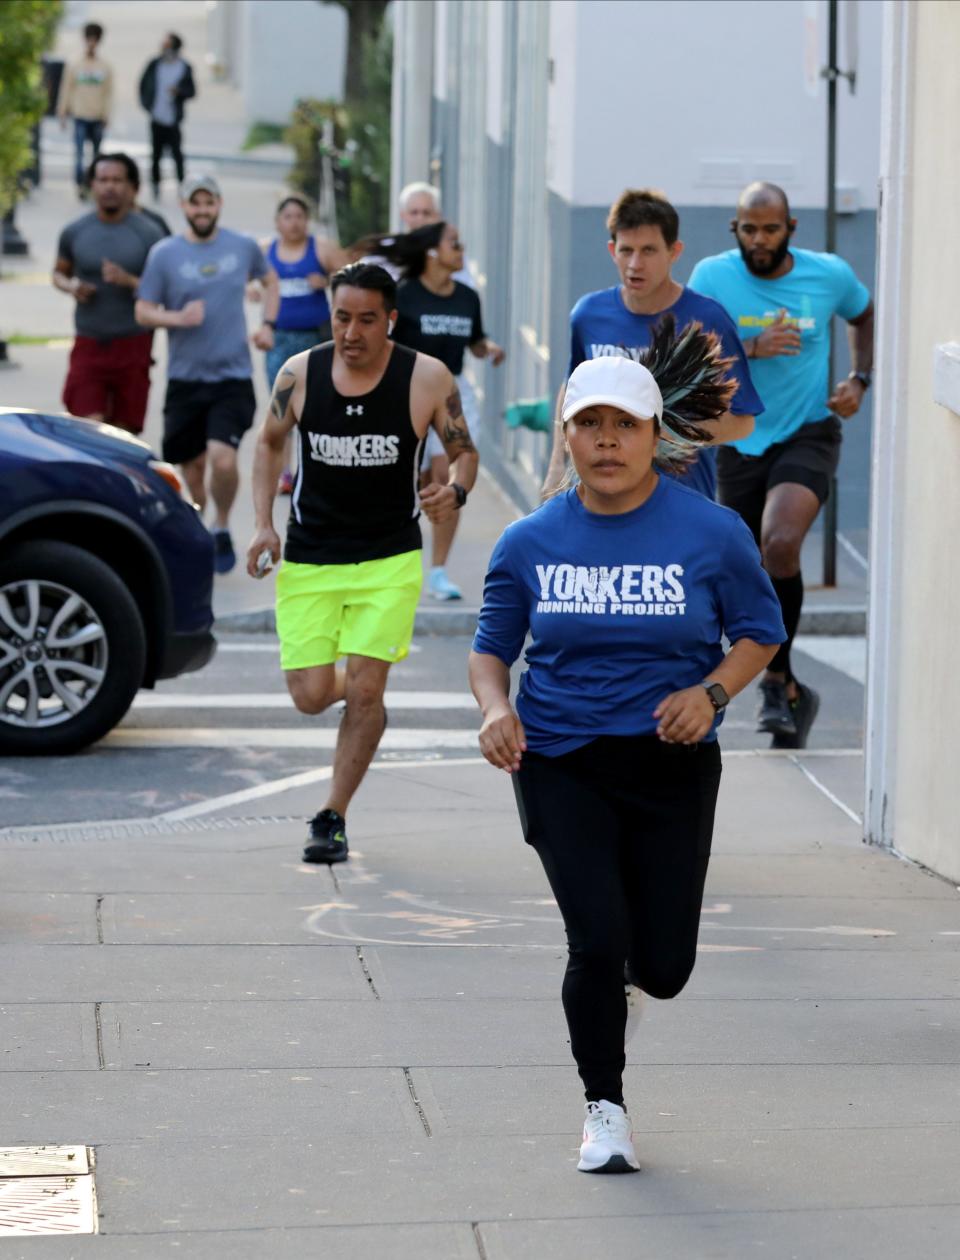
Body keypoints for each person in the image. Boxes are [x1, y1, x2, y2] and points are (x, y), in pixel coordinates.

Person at [469, 349, 784, 1175]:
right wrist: (497, 710)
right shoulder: (529, 541)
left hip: (671, 762)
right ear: (567, 435)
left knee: (667, 967)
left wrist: (712, 695)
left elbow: (759, 631)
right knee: (596, 939)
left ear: (654, 435)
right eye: (589, 425)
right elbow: (491, 649)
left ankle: (629, 993)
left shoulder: (711, 531)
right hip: (562, 758)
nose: (606, 442)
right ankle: (602, 1108)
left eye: (623, 426)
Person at [245, 262, 479, 864]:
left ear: (391, 320)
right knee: (310, 694)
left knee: (367, 691)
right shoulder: (297, 374)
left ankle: (332, 815)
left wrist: (453, 492)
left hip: (389, 556)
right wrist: (263, 525)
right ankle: (361, 687)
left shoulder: (426, 377)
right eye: (342, 317)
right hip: (312, 555)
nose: (351, 332)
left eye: (367, 320)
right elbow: (268, 442)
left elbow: (464, 452)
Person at [688, 182, 874, 748]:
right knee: (743, 564)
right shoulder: (712, 277)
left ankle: (773, 678)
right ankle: (792, 687)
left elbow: (864, 315)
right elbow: (690, 348)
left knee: (781, 541)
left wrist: (859, 379)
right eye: (750, 228)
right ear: (735, 230)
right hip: (739, 437)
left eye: (771, 228)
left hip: (808, 430)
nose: (760, 239)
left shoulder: (828, 275)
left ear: (791, 228)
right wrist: (749, 347)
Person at [543, 188, 761, 502]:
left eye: (648, 251)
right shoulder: (588, 315)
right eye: (626, 250)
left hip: (681, 501)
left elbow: (743, 421)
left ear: (674, 251)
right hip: (598, 500)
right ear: (611, 250)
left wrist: (665, 435)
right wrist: (556, 466)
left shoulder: (707, 319)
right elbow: (572, 388)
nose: (635, 264)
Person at [135, 175, 279, 574]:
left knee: (224, 459)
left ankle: (220, 525)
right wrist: (176, 318)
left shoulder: (242, 247)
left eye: (208, 203)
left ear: (218, 204)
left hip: (231, 378)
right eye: (194, 204)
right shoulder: (164, 254)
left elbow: (270, 281)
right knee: (192, 467)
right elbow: (143, 310)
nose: (202, 210)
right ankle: (199, 521)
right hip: (185, 379)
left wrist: (268, 323)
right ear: (184, 207)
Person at [366, 222, 504, 599]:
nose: (461, 250)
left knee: (446, 475)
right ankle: (389, 560)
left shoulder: (467, 297)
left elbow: (474, 340)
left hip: (452, 395)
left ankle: (439, 571)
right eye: (454, 244)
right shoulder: (404, 295)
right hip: (407, 394)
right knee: (408, 481)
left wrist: (489, 348)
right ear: (431, 253)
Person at [53, 152, 164, 433]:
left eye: (117, 180)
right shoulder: (75, 231)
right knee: (89, 429)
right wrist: (72, 286)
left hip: (133, 344)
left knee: (123, 435)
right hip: (89, 344)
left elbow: (166, 291)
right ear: (92, 185)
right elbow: (58, 273)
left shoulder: (150, 234)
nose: (110, 187)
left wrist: (129, 281)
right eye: (103, 180)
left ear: (131, 187)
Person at [260, 196, 351, 494]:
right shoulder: (265, 250)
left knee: (316, 405)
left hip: (316, 338)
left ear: (307, 220)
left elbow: (352, 277)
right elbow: (246, 279)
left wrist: (326, 281)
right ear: (277, 222)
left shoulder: (320, 248)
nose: (294, 222)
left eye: (300, 216)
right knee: (282, 405)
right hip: (280, 340)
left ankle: (315, 467)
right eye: (288, 216)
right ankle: (284, 472)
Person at [56, 22, 113, 200]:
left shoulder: (104, 66)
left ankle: (93, 185)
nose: (91, 44)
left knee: (96, 157)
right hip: (80, 114)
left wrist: (106, 114)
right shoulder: (75, 63)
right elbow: (66, 88)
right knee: (79, 155)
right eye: (89, 39)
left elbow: (108, 93)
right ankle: (80, 185)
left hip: (96, 115)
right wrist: (63, 111)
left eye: (95, 40)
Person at [138, 33, 196, 199]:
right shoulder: (155, 64)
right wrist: (146, 104)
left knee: (177, 154)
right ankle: (156, 185)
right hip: (157, 117)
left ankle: (182, 185)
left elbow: (192, 91)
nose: (165, 49)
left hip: (173, 119)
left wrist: (179, 92)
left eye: (168, 46)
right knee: (155, 154)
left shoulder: (184, 67)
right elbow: (143, 85)